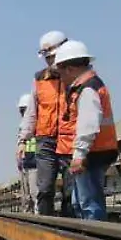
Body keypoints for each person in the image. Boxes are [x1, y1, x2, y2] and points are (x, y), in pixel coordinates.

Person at [57, 40, 119, 221]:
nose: (60, 78)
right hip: (96, 151)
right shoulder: (88, 85)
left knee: (89, 203)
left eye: (60, 72)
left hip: (93, 153)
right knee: (80, 202)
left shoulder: (87, 89)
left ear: (69, 69)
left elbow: (88, 125)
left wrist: (79, 154)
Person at [29, 31, 69, 216]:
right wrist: (23, 139)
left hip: (69, 137)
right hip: (45, 139)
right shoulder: (39, 79)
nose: (49, 62)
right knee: (44, 188)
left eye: (52, 57)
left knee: (71, 189)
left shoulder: (75, 75)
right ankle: (45, 229)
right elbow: (32, 110)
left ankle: (73, 232)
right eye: (47, 59)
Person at [15, 93, 37, 211]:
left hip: (34, 163)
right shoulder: (22, 127)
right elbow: (19, 143)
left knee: (34, 194)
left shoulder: (36, 125)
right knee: (25, 197)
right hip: (25, 163)